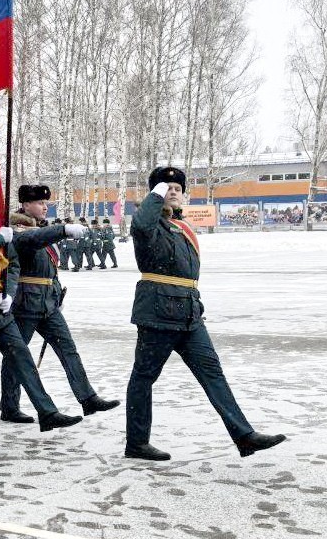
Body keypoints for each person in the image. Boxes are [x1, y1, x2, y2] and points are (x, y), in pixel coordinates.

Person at [125, 166, 287, 461]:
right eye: (166, 187)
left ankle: (244, 435)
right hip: (158, 311)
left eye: (177, 188)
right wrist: (156, 194)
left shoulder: (180, 226)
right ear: (155, 194)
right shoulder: (150, 224)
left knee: (213, 372)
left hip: (188, 312)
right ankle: (137, 443)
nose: (173, 191)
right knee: (144, 376)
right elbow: (139, 226)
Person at [0, 217, 82, 437]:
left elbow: (12, 264)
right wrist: (0, 237)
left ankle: (47, 412)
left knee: (21, 356)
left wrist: (9, 292)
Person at [0, 185, 120, 422]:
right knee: (17, 356)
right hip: (25, 302)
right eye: (39, 203)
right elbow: (32, 241)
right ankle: (10, 406)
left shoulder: (42, 229)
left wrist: (56, 294)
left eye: (47, 203)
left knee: (68, 350)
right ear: (24, 205)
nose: (45, 207)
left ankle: (87, 398)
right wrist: (62, 230)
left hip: (48, 303)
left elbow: (50, 269)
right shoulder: (17, 230)